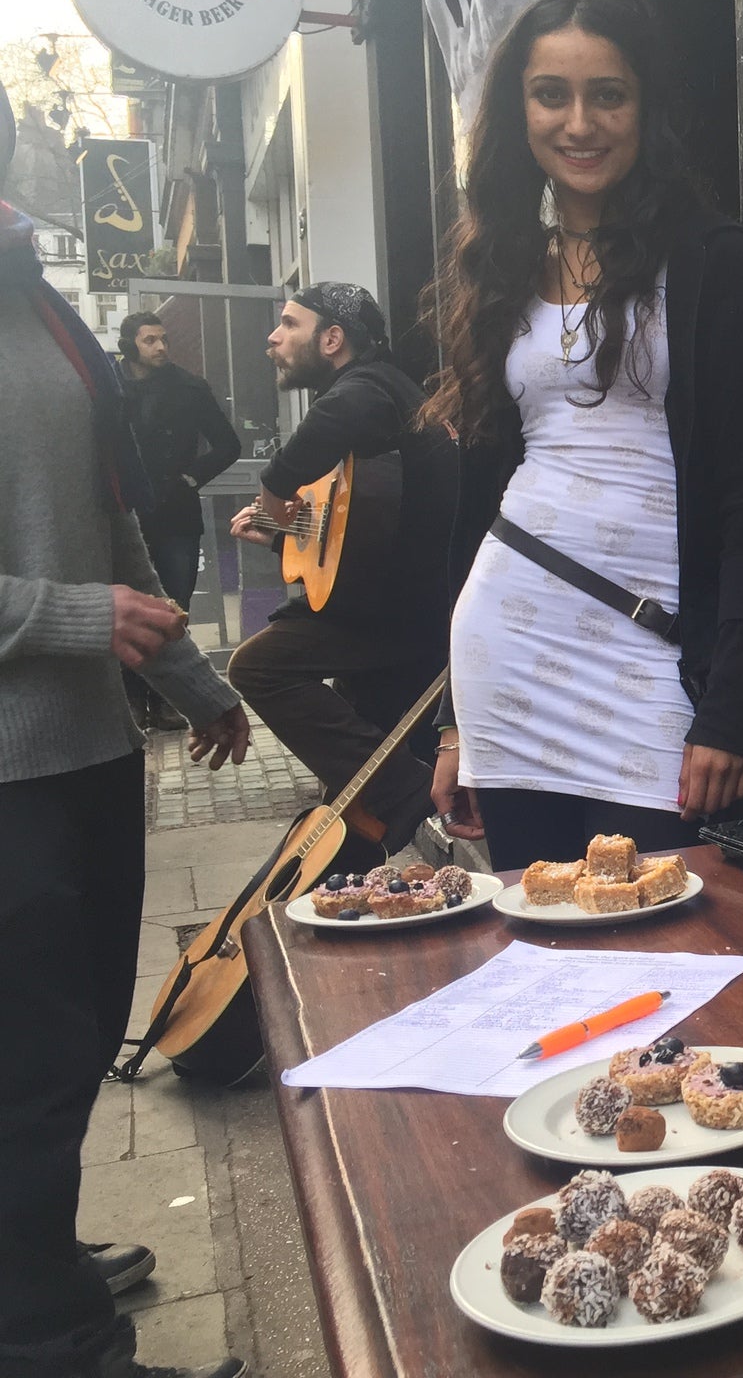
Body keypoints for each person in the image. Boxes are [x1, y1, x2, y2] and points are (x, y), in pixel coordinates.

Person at [422, 0, 743, 870]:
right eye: (552, 94)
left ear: (646, 109)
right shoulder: (500, 269)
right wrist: (449, 721)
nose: (579, 123)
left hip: (662, 659)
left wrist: (731, 709)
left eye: (608, 95)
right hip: (509, 645)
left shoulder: (717, 263)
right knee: (539, 938)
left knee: (670, 950)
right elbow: (477, 502)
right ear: (520, 111)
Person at [0, 87, 250, 1378]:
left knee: (80, 1036)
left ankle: (32, 1253)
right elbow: (88, 583)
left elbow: (118, 526)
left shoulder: (37, 297)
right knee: (29, 1065)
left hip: (89, 748)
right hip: (8, 773)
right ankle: (49, 1341)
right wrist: (70, 615)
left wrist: (196, 678)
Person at [224, 284, 456, 858]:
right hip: (384, 606)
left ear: (333, 339)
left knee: (256, 667)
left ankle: (403, 790)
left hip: (401, 618)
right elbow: (359, 536)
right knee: (348, 799)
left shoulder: (368, 390)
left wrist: (276, 498)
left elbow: (294, 464)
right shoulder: (382, 401)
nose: (273, 339)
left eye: (289, 324)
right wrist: (284, 536)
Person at [117, 310, 240, 732]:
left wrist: (192, 477)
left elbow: (229, 444)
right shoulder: (107, 386)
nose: (161, 347)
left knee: (173, 606)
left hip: (175, 513)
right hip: (124, 514)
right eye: (150, 340)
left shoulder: (189, 388)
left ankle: (166, 701)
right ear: (130, 344)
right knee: (131, 608)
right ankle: (133, 700)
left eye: (164, 338)